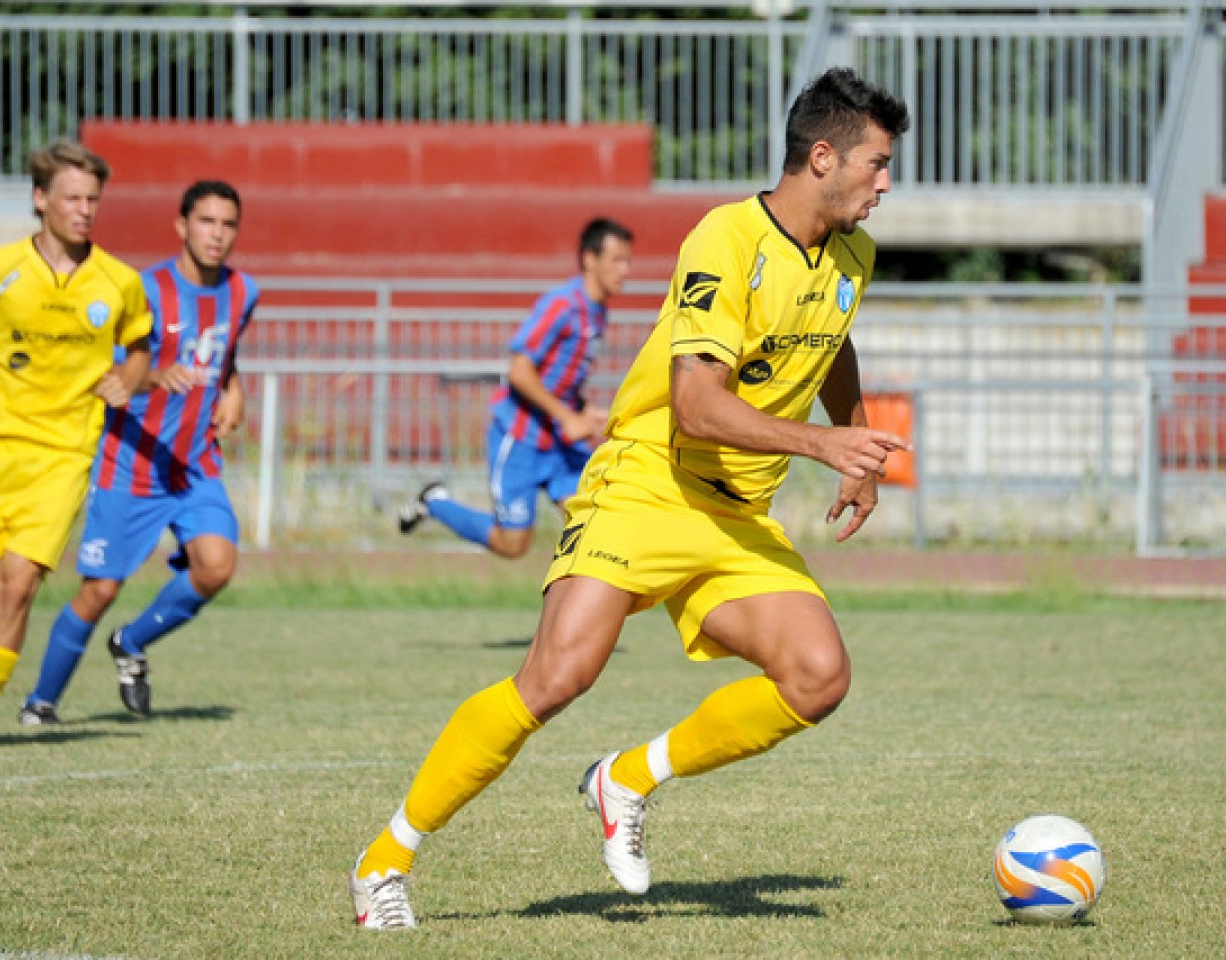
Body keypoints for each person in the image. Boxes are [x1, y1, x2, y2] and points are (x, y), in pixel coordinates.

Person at [349, 66, 911, 930]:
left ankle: (628, 777)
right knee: (557, 677)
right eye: (876, 164)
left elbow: (830, 337)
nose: (886, 183)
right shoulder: (725, 239)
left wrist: (858, 443)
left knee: (817, 675)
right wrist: (822, 442)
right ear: (823, 155)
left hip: (735, 513)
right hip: (649, 480)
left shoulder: (853, 254)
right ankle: (384, 863)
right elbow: (695, 403)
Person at [17, 180, 257, 725]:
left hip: (196, 466)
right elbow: (104, 372)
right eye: (206, 222)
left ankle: (131, 643)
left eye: (228, 224)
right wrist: (151, 377)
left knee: (216, 567)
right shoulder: (138, 290)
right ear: (181, 226)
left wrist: (235, 389)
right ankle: (42, 701)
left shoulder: (243, 291)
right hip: (132, 463)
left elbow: (226, 352)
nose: (217, 235)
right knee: (99, 589)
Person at [0, 140, 153, 719]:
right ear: (39, 199)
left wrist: (127, 378)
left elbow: (140, 348)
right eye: (72, 197)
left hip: (61, 458)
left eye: (92, 199)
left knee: (18, 585)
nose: (84, 209)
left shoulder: (118, 281)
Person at [396, 217, 633, 559]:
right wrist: (568, 417)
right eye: (617, 260)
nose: (625, 270)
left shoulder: (597, 311)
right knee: (513, 544)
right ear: (589, 259)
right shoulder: (561, 305)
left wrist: (582, 411)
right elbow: (519, 371)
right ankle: (434, 502)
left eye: (628, 260)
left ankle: (575, 606)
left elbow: (561, 375)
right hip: (520, 440)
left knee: (594, 520)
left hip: (559, 444)